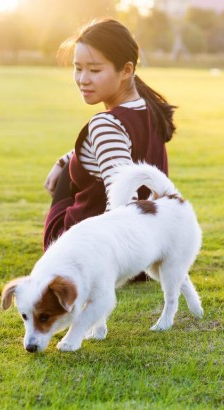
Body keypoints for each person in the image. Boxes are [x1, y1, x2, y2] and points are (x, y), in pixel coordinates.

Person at [42, 19, 177, 250]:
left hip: (94, 251)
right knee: (69, 166)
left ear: (126, 70)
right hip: (151, 252)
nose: (83, 79)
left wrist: (106, 260)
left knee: (71, 174)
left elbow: (124, 202)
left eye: (95, 70)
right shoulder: (150, 109)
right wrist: (63, 161)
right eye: (78, 68)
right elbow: (116, 149)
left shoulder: (106, 124)